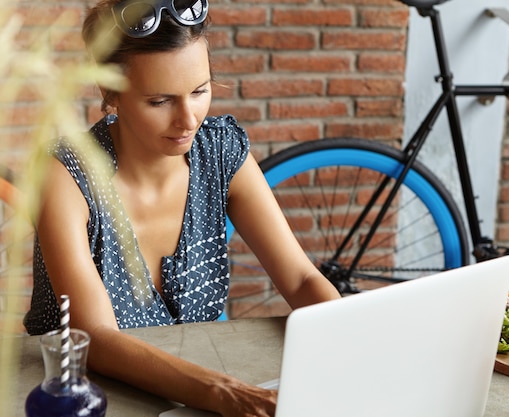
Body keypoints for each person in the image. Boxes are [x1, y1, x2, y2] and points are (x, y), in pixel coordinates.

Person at [23, 0, 341, 415]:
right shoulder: (66, 175)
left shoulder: (220, 152)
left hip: (192, 387)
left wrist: (352, 342)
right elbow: (97, 337)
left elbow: (300, 279)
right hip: (77, 398)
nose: (188, 119)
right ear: (110, 94)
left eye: (200, 90)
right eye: (160, 101)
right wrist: (224, 393)